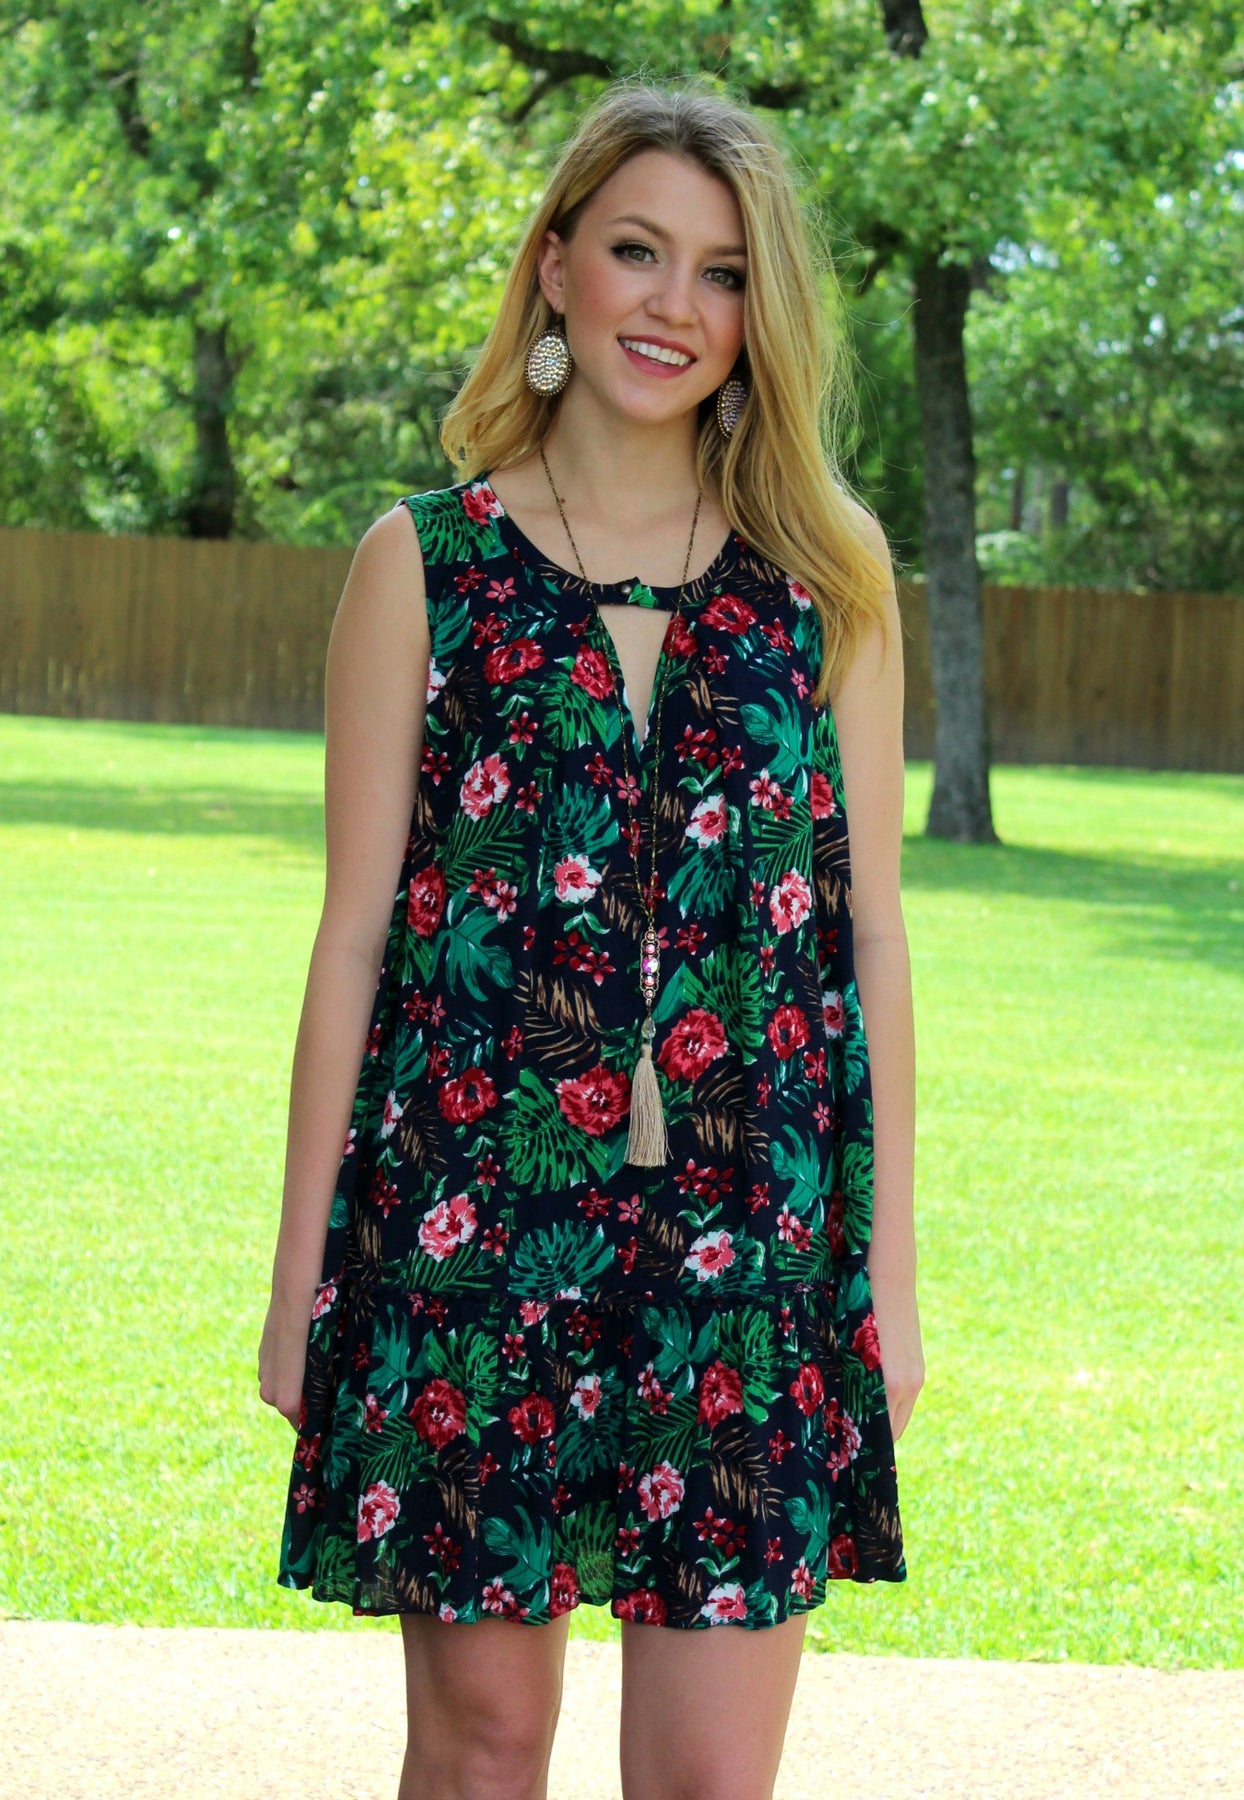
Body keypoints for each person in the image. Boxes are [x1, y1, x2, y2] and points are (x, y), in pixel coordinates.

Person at [259, 75, 923, 1800]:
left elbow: (870, 949)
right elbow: (353, 943)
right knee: (480, 1754)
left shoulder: (827, 580)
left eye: (722, 272)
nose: (672, 303)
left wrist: (887, 1286)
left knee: (708, 1781)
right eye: (637, 251)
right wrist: (302, 1282)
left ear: (759, 315)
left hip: (750, 1245)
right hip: (470, 1229)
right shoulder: (424, 565)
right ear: (555, 267)